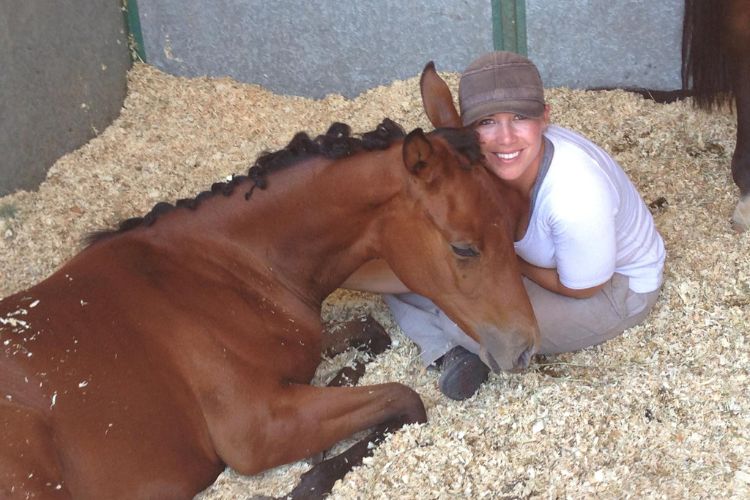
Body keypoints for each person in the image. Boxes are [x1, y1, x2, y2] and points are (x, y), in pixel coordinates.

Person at [343, 51, 666, 400]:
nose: (506, 138)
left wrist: (512, 263)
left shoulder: (575, 195)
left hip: (613, 289)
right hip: (546, 267)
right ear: (468, 129)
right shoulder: (477, 166)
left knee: (470, 321)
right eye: (487, 122)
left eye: (519, 117)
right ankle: (448, 350)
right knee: (416, 265)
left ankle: (449, 344)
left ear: (544, 117)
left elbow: (583, 287)